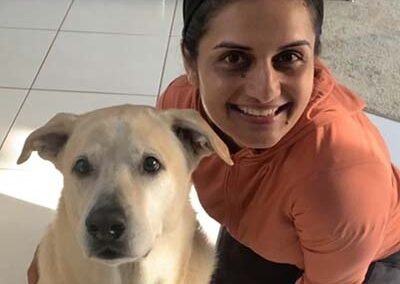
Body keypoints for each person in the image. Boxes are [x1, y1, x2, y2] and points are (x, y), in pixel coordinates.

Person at [28, 0, 400, 283]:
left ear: (314, 60)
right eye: (234, 57)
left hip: (360, 259)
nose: (264, 92)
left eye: (289, 57)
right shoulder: (176, 109)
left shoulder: (341, 179)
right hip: (263, 230)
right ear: (191, 63)